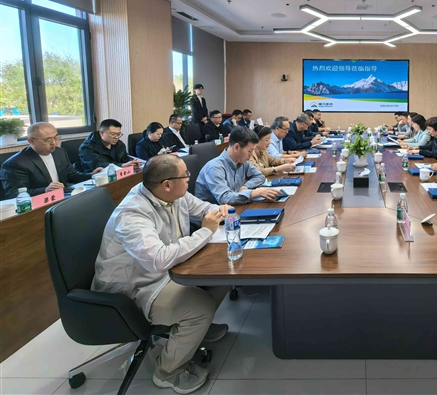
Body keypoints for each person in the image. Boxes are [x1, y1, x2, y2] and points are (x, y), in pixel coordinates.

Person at [91, 155, 231, 394]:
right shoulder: (132, 214)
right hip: (134, 287)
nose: (189, 178)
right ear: (167, 184)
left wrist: (219, 211)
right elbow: (159, 259)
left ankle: (195, 332)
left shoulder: (174, 193)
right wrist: (205, 231)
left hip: (163, 271)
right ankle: (168, 373)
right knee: (200, 309)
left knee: (224, 274)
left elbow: (205, 209)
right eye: (186, 175)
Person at [0, 122, 102, 199]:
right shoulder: (16, 163)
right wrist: (45, 190)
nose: (54, 143)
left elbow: (72, 175)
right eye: (47, 140)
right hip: (39, 205)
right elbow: (13, 193)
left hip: (63, 197)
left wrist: (91, 175)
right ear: (31, 141)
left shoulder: (60, 152)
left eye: (56, 138)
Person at [195, 126, 281, 204]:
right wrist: (256, 193)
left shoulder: (242, 161)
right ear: (236, 147)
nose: (251, 155)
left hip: (234, 207)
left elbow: (260, 176)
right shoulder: (214, 168)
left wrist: (245, 187)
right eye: (249, 151)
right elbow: (225, 198)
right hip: (214, 213)